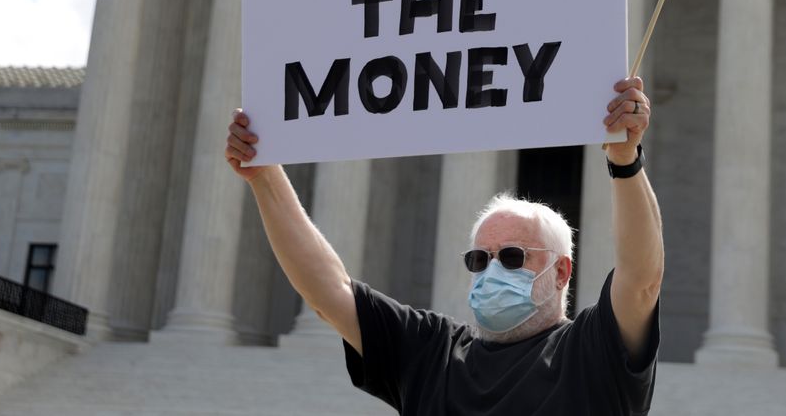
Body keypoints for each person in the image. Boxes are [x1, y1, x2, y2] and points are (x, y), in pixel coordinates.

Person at [225, 76, 662, 415]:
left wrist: (625, 163)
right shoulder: (433, 351)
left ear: (562, 271)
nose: (492, 271)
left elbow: (641, 281)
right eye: (479, 259)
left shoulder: (591, 352)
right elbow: (327, 293)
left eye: (512, 256)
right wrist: (265, 177)